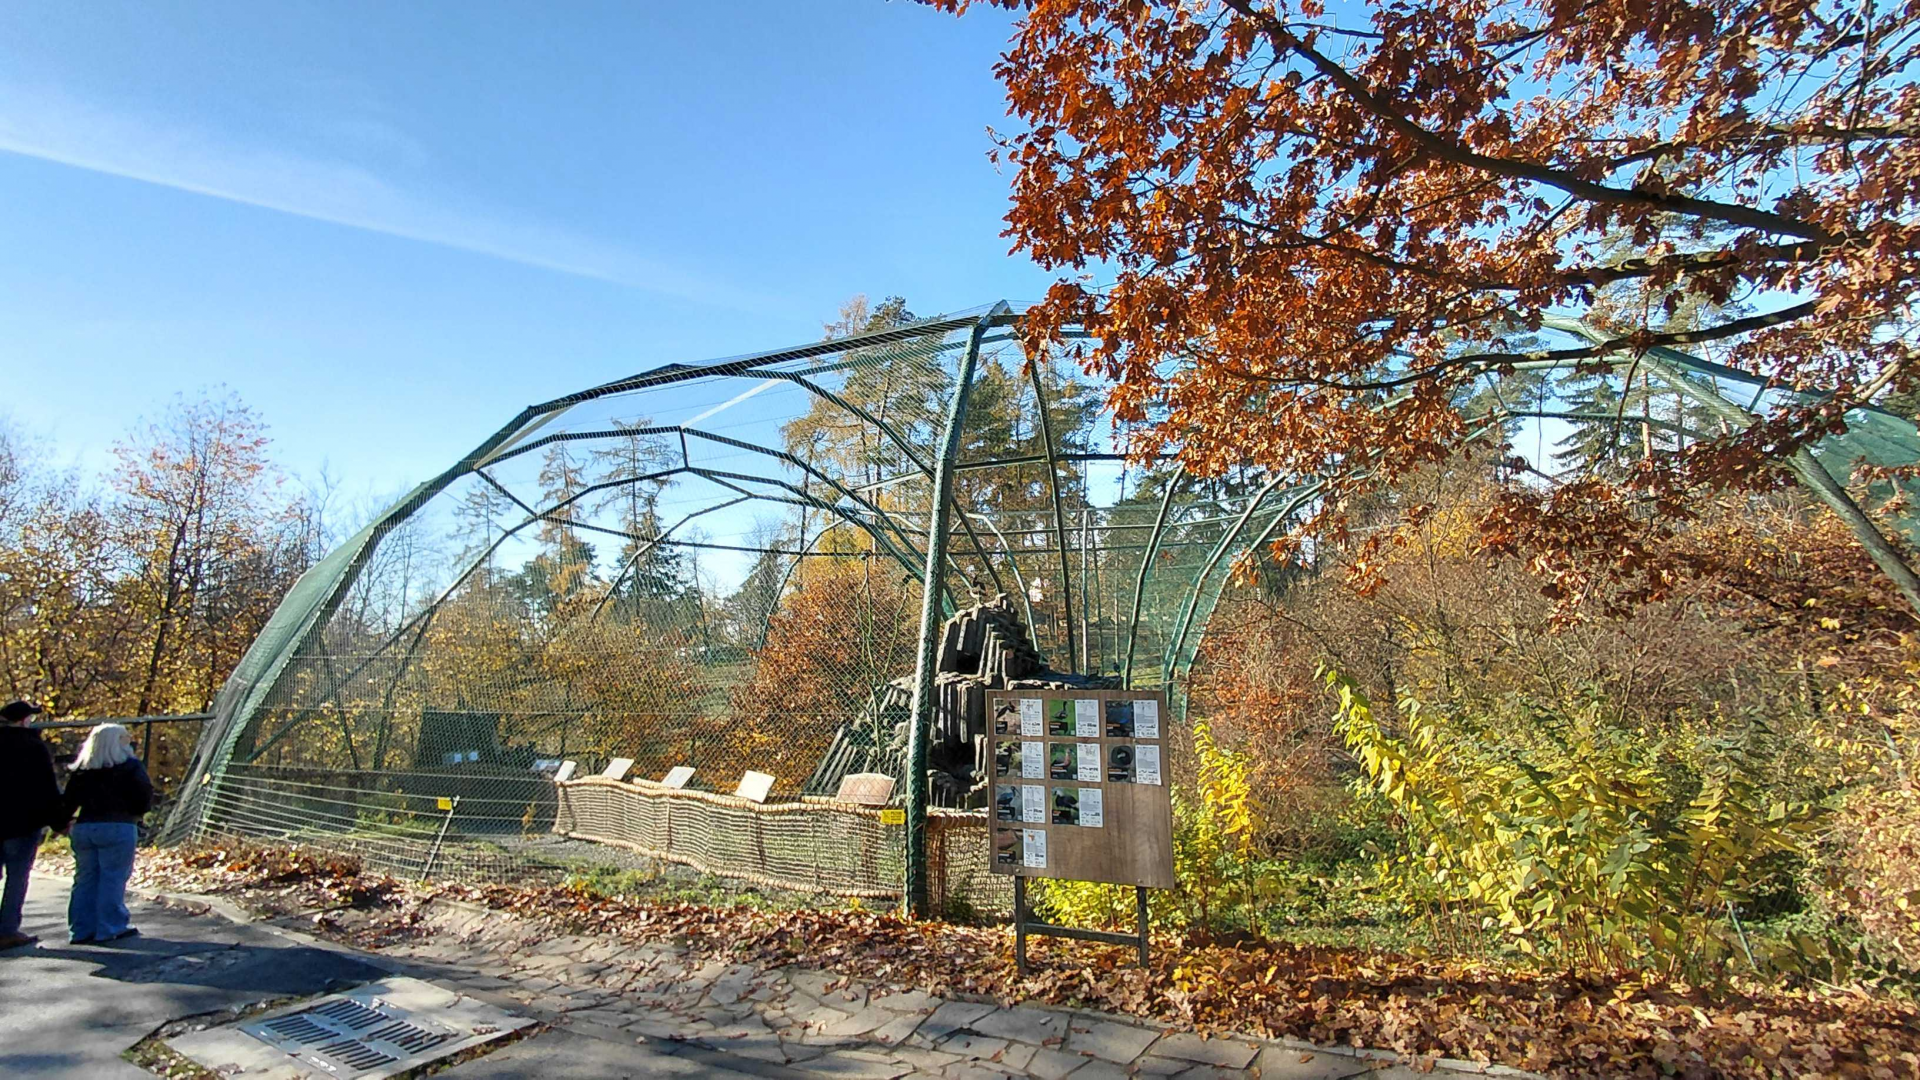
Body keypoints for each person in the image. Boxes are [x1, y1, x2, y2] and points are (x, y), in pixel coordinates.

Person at [58, 723, 153, 944]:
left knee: (84, 879)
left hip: (85, 826)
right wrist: (136, 813)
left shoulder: (83, 770)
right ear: (118, 742)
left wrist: (61, 823)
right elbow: (143, 797)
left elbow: (68, 802)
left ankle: (80, 929)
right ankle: (110, 927)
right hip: (118, 826)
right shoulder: (130, 767)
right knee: (113, 877)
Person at [0, 700, 62, 951]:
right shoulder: (33, 747)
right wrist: (58, 820)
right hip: (22, 822)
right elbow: (46, 788)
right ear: (24, 720)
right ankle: (7, 931)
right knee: (17, 877)